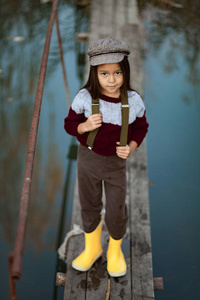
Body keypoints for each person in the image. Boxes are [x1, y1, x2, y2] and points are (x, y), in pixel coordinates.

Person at [64, 36, 149, 277]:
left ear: (125, 72)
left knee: (115, 208)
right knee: (89, 203)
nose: (111, 80)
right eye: (104, 74)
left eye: (117, 73)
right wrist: (84, 126)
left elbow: (142, 127)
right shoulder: (84, 98)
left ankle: (115, 250)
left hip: (115, 164)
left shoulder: (132, 101)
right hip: (88, 160)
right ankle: (92, 248)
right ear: (94, 73)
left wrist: (131, 147)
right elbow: (69, 125)